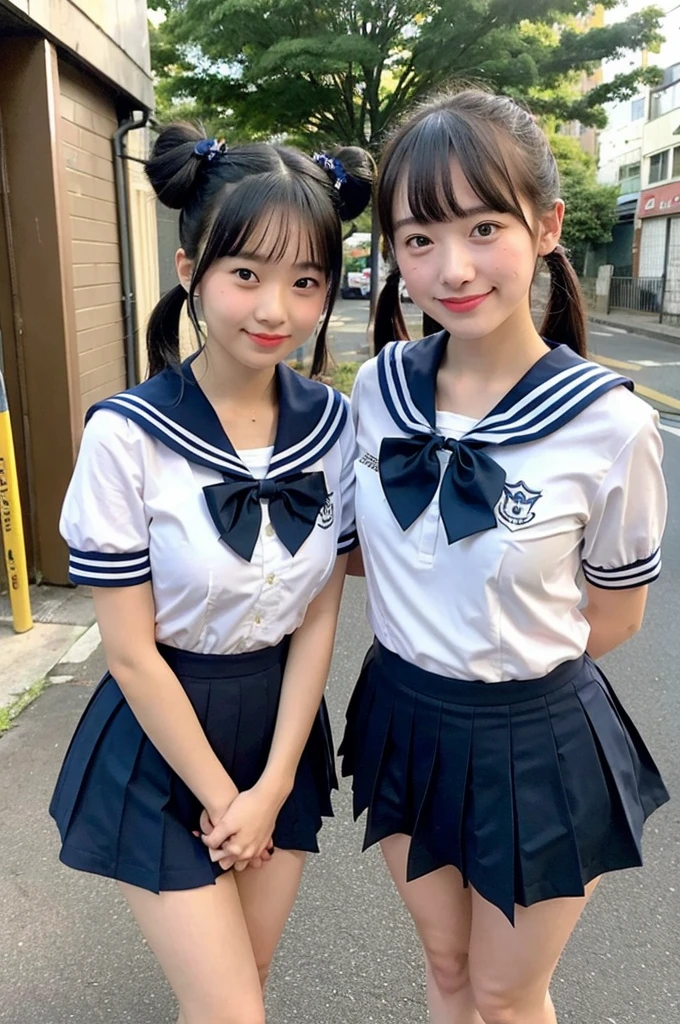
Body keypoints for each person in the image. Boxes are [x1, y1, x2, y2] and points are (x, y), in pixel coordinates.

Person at [340, 89, 669, 1024]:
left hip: (538, 737)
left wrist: (498, 656)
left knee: (506, 990)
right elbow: (366, 554)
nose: (452, 268)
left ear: (548, 225)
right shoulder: (376, 392)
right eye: (418, 238)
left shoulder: (610, 424)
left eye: (484, 226)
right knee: (447, 970)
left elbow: (614, 616)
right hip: (403, 715)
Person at [50, 123, 373, 1024]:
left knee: (232, 1000)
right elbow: (129, 654)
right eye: (247, 275)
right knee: (234, 1009)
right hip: (162, 738)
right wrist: (226, 799)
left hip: (278, 732)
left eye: (305, 281)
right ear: (191, 270)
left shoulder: (335, 429)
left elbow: (319, 613)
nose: (276, 307)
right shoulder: (126, 435)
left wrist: (270, 789)